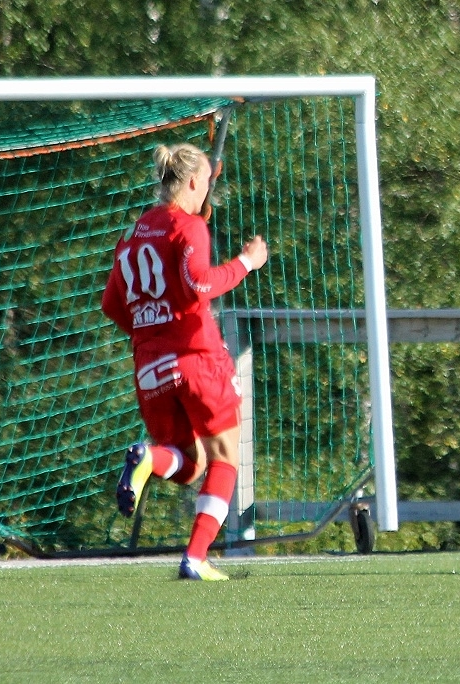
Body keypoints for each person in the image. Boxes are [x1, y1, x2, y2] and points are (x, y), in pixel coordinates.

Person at [101, 142, 268, 581]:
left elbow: (111, 304)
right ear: (193, 181)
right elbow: (199, 284)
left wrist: (152, 331)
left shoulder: (133, 233)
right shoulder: (187, 226)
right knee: (225, 457)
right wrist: (247, 262)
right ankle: (195, 558)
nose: (210, 189)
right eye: (209, 180)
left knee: (188, 464)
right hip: (196, 358)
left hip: (149, 367)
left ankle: (147, 458)